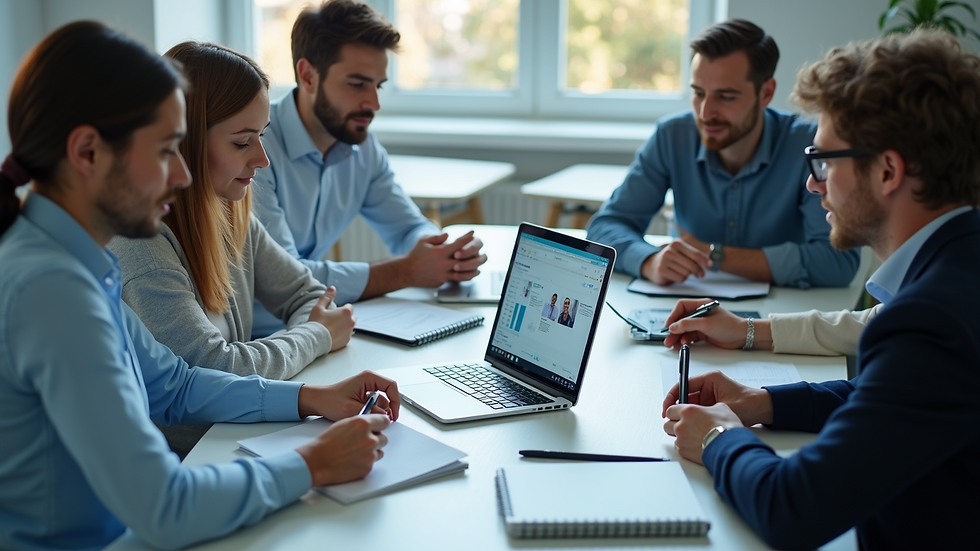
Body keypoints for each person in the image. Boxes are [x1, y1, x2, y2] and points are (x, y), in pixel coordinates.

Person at [0, 21, 399, 551]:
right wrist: (312, 463)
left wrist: (310, 397)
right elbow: (165, 508)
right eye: (166, 151)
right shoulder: (52, 290)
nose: (183, 176)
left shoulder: (75, 263)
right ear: (88, 153)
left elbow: (180, 385)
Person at [660, 30, 980, 550]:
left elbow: (792, 509)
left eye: (825, 161)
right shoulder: (958, 264)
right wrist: (761, 402)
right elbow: (887, 399)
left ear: (888, 170)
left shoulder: (932, 318)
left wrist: (718, 438)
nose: (813, 183)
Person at [108, 41, 357, 457]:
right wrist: (314, 336)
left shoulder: (228, 210)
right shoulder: (142, 248)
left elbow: (309, 294)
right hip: (192, 457)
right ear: (181, 143)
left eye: (261, 137)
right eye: (242, 143)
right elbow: (216, 372)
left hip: (237, 435)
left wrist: (307, 341)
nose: (261, 159)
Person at [250, 0, 487, 338]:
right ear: (307, 75)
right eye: (358, 84)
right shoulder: (255, 148)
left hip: (316, 330)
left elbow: (407, 228)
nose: (374, 104)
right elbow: (286, 276)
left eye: (379, 86)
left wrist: (440, 252)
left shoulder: (363, 148)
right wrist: (405, 271)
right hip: (257, 341)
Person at [586, 19, 859, 289]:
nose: (705, 113)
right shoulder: (673, 136)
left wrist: (713, 254)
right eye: (698, 93)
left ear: (766, 93)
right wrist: (649, 260)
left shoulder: (807, 144)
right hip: (681, 305)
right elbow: (606, 225)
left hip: (781, 315)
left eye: (725, 97)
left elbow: (838, 262)